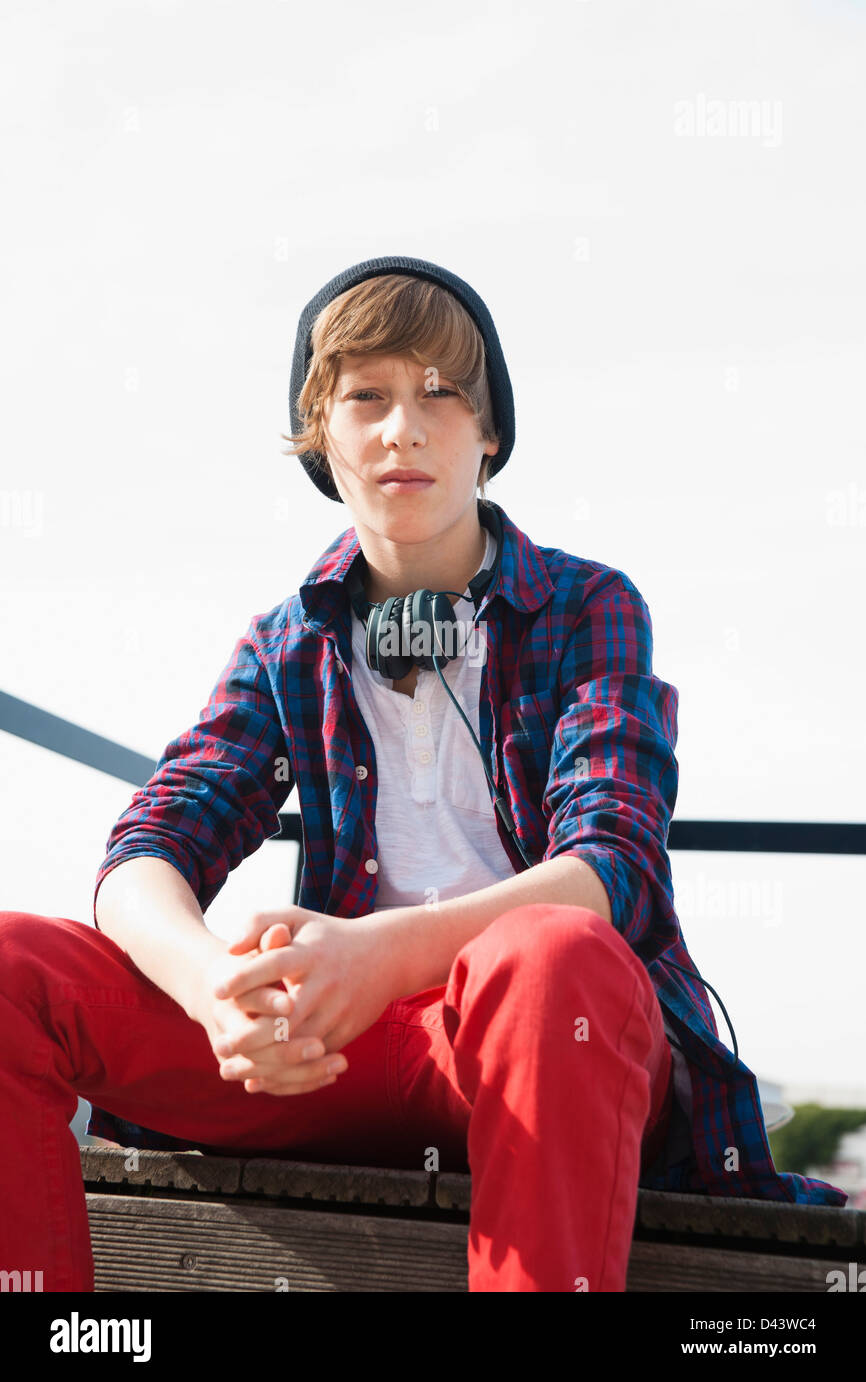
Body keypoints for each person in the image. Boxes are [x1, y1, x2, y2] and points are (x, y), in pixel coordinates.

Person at [0, 256, 846, 1295]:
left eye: (440, 392)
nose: (403, 426)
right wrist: (213, 989)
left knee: (549, 955)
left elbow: (611, 865)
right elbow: (149, 845)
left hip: (527, 1035)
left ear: (489, 434)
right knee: (10, 966)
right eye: (366, 395)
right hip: (336, 1047)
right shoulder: (286, 643)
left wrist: (377, 954)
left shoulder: (586, 607)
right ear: (321, 433)